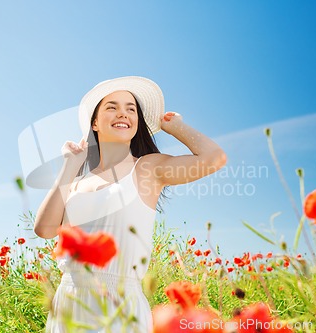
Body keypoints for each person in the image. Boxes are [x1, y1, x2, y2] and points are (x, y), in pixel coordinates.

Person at [34, 76, 226, 333]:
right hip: (69, 301)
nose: (122, 113)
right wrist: (70, 165)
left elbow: (214, 158)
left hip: (120, 304)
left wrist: (176, 126)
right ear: (94, 122)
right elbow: (44, 229)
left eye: (131, 109)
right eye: (111, 107)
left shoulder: (147, 168)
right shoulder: (78, 181)